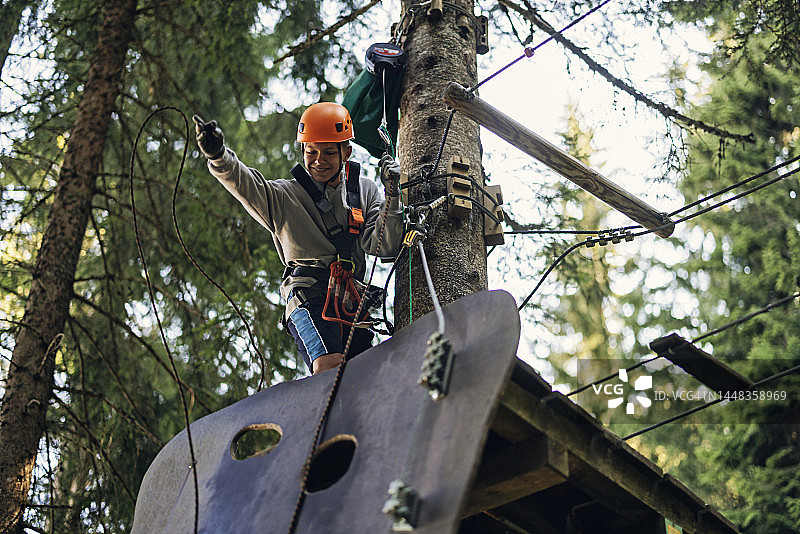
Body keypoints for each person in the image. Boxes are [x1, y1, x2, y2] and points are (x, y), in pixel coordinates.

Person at [195, 103, 403, 375]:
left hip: (351, 302)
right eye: (311, 151)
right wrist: (219, 156)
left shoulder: (364, 190)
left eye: (329, 152)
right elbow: (246, 185)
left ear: (346, 152)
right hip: (309, 293)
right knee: (330, 368)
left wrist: (393, 194)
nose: (319, 160)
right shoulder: (284, 197)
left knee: (368, 376)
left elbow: (384, 246)